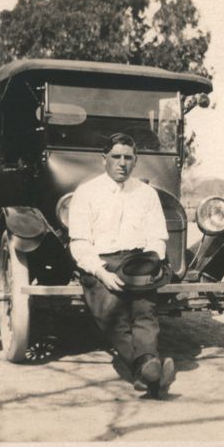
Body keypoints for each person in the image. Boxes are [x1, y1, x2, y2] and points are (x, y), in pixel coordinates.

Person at [68, 133, 176, 396]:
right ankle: (147, 366)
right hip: (101, 263)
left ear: (136, 161)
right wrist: (101, 273)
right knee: (112, 312)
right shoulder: (86, 193)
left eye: (128, 158)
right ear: (103, 159)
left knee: (145, 310)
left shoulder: (147, 193)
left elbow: (158, 237)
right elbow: (79, 243)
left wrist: (151, 263)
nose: (122, 163)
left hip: (138, 262)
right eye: (116, 157)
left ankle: (147, 368)